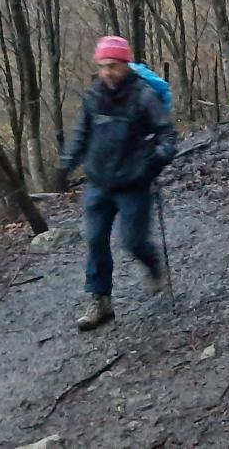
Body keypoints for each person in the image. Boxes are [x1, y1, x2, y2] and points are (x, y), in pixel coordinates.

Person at [58, 36, 179, 331]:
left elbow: (167, 136)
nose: (106, 72)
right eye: (102, 66)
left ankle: (152, 263)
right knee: (95, 239)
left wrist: (154, 161)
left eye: (112, 66)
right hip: (99, 182)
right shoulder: (94, 96)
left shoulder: (143, 96)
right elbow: (82, 134)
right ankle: (100, 301)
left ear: (125, 64)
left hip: (133, 183)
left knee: (133, 241)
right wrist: (66, 164)